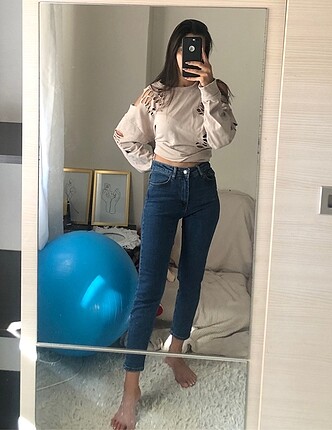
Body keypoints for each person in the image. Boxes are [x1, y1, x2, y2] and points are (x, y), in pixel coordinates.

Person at [110, 18, 237, 430]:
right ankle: (131, 388)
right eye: (186, 47)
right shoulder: (155, 94)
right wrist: (156, 165)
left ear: (206, 53)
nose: (192, 55)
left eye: (200, 48)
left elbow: (221, 139)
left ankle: (175, 350)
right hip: (164, 186)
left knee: (191, 278)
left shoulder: (215, 92)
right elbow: (124, 135)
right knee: (148, 288)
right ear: (175, 50)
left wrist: (209, 87)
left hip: (202, 188)